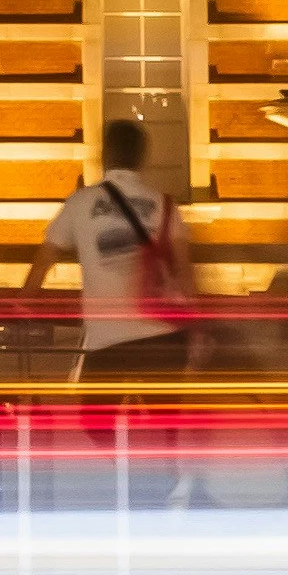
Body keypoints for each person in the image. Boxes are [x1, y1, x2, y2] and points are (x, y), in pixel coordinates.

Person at [42, 120, 191, 383]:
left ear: (105, 154)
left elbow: (47, 256)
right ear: (141, 157)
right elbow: (186, 275)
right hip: (163, 337)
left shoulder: (80, 203)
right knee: (163, 421)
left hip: (107, 340)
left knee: (97, 422)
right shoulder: (166, 205)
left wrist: (23, 301)